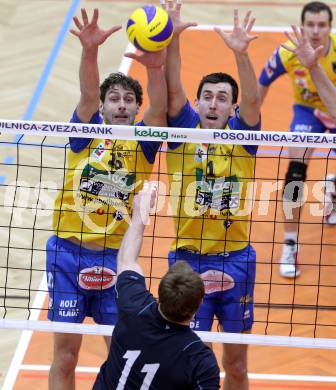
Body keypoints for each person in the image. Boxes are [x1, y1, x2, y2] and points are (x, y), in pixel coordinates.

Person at [46, 8, 166, 390]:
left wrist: (157, 66)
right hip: (68, 254)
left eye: (128, 99)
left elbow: (161, 111)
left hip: (115, 260)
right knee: (65, 358)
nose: (120, 104)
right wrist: (89, 51)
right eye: (113, 98)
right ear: (102, 107)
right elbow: (85, 93)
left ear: (135, 109)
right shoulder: (85, 134)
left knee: (121, 357)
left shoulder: (143, 144)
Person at [163, 2, 261, 389]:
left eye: (223, 98)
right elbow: (172, 91)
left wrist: (241, 52)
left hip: (236, 262)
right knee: (190, 359)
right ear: (198, 102)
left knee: (235, 365)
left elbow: (253, 101)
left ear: (231, 107)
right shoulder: (184, 131)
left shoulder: (242, 138)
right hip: (187, 264)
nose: (214, 103)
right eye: (208, 96)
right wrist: (171, 40)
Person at [93, 181, 220, 389]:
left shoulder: (134, 307)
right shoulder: (199, 359)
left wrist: (140, 214)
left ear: (159, 293)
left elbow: (126, 261)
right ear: (199, 305)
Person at [258, 1, 336, 278]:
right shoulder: (287, 53)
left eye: (322, 25)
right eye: (310, 24)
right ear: (303, 26)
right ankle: (290, 243)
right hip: (307, 114)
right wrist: (248, 123)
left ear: (329, 26)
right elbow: (261, 84)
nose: (315, 31)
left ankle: (333, 190)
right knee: (295, 174)